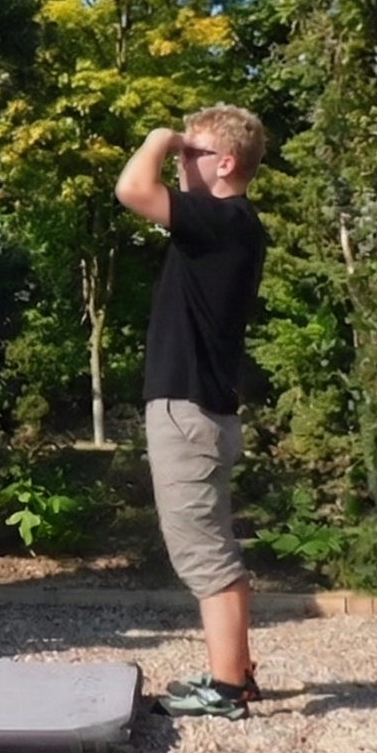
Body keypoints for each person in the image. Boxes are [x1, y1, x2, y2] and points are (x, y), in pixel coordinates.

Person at [115, 105, 269, 719]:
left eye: (192, 152)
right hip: (200, 408)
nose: (180, 159)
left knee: (202, 552)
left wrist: (157, 137)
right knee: (209, 545)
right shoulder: (229, 224)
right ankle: (236, 674)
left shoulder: (223, 218)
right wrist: (182, 146)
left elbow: (132, 188)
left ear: (225, 164)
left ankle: (228, 689)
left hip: (188, 410)